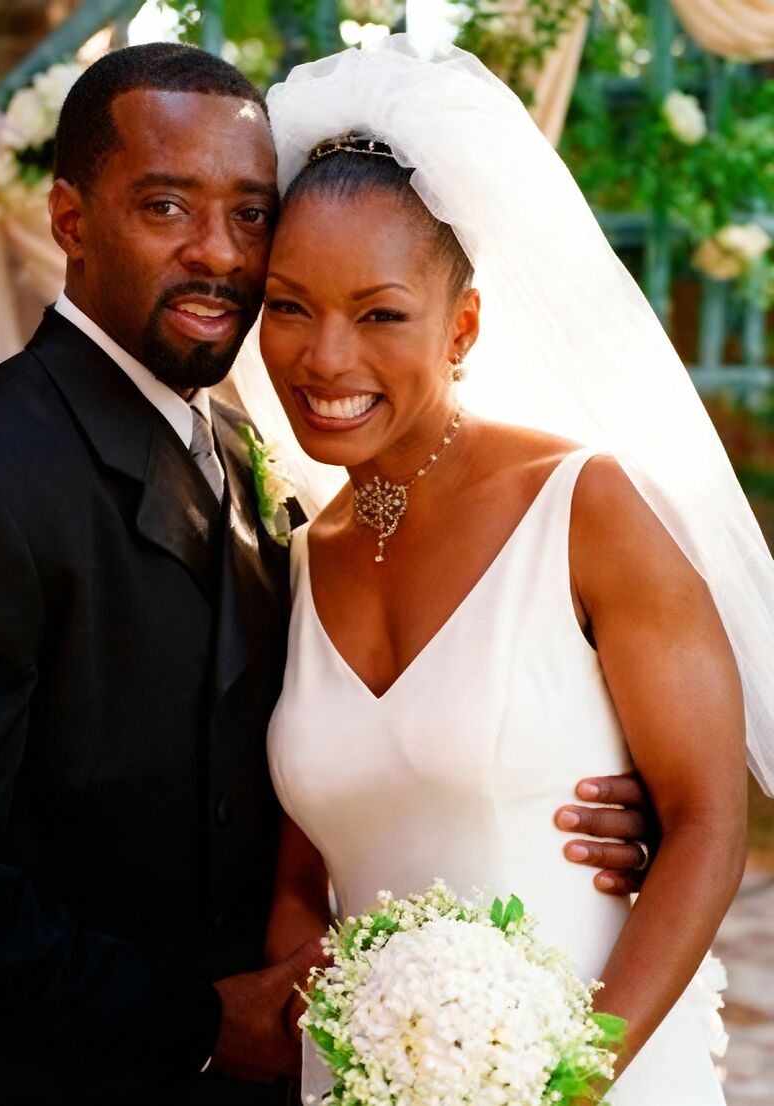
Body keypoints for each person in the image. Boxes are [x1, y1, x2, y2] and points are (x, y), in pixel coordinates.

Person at [0, 42, 656, 1106]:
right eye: (166, 207)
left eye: (250, 213)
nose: (219, 253)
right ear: (71, 219)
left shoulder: (258, 457)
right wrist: (204, 1022)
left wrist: (578, 800)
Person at [256, 37, 774, 1104]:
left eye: (380, 312)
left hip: (591, 1074)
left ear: (465, 326)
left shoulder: (586, 508)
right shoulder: (304, 552)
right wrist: (336, 1047)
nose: (324, 357)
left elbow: (707, 822)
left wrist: (569, 1079)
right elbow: (304, 876)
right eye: (289, 303)